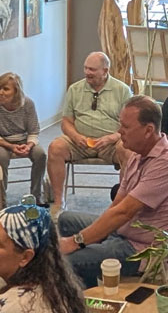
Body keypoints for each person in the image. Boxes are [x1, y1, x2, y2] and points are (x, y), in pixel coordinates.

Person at [55, 96, 168, 288]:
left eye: (125, 127)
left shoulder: (167, 163)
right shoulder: (137, 153)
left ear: (148, 130)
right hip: (122, 231)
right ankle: (86, 282)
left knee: (66, 259)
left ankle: (80, 300)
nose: (119, 132)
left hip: (140, 248)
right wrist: (96, 235)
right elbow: (117, 204)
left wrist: (77, 241)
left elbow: (124, 212)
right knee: (66, 219)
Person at [47, 52, 135, 207]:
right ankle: (59, 200)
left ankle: (122, 202)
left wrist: (111, 138)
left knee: (129, 152)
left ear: (105, 71)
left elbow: (129, 125)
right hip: (80, 141)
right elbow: (66, 122)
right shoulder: (75, 89)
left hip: (110, 143)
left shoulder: (122, 90)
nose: (87, 73)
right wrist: (75, 136)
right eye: (86, 68)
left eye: (92, 70)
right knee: (55, 147)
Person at [0, 72, 48, 198]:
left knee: (41, 154)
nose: (0, 92)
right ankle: (1, 201)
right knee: (1, 156)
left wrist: (28, 146)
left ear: (16, 92)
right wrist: (11, 147)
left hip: (22, 139)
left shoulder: (28, 104)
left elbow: (33, 131)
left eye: (5, 89)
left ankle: (36, 196)